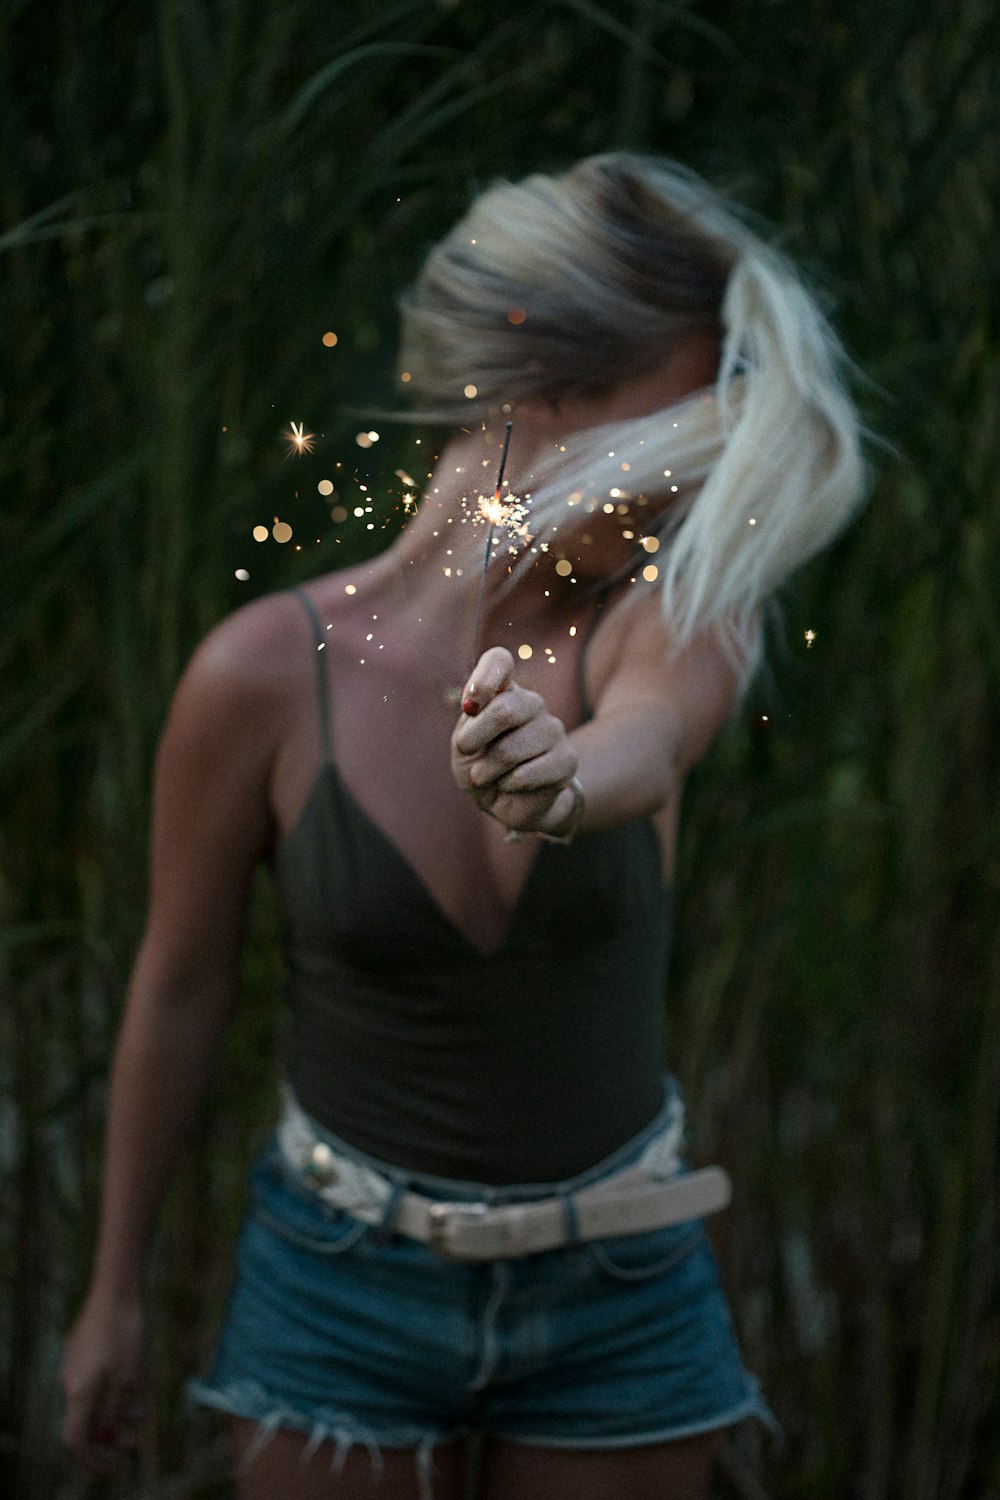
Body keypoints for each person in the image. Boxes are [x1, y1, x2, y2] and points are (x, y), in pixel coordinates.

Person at [60, 153, 862, 1499]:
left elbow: (649, 742)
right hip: (335, 1287)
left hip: (624, 1290)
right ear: (529, 380)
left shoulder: (668, 614)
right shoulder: (261, 673)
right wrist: (112, 1294)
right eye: (670, 439)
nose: (686, 499)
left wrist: (559, 776)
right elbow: (180, 984)